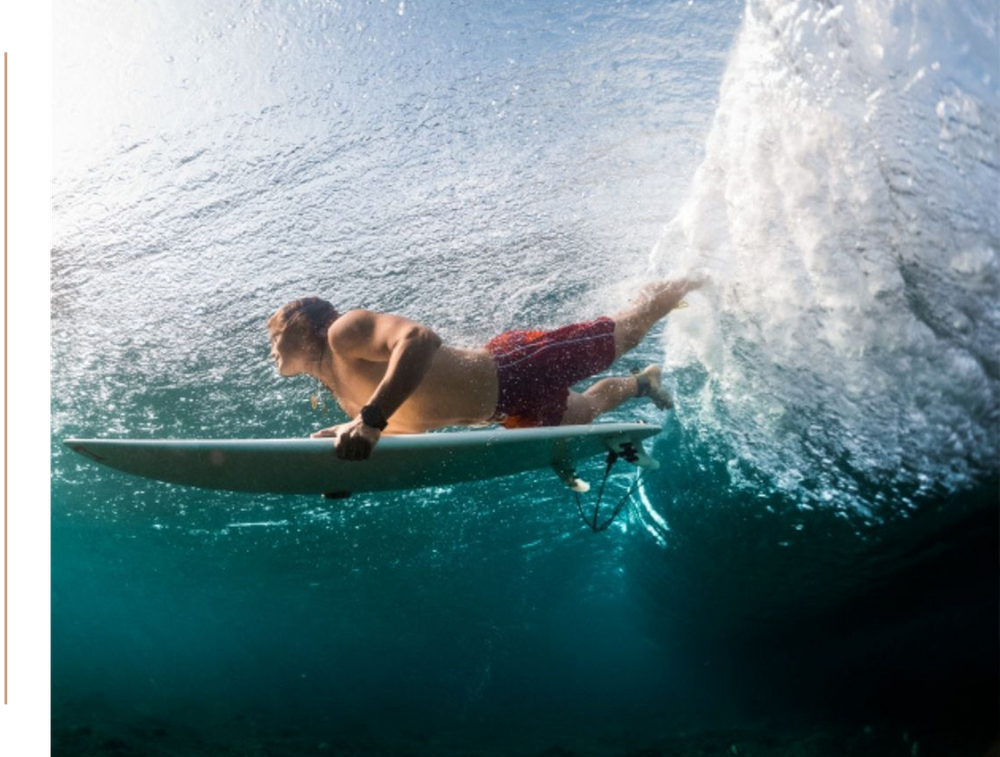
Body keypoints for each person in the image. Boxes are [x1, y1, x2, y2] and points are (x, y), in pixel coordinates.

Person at [267, 276, 706, 460]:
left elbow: (419, 340)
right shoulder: (345, 396)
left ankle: (691, 279)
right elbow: (411, 427)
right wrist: (343, 451)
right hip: (505, 412)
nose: (270, 345)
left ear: (305, 327)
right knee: (588, 411)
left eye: (275, 333)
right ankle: (642, 383)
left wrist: (369, 419)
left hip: (516, 366)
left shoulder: (344, 333)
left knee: (627, 331)